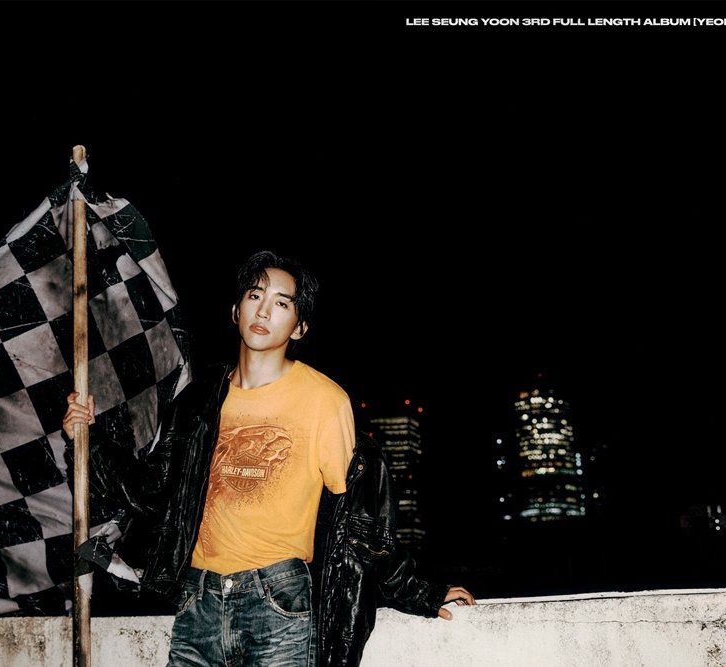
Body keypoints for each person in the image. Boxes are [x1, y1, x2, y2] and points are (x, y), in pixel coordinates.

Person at [63, 250, 475, 666]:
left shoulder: (324, 400)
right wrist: (86, 440)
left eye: (282, 303)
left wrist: (418, 590)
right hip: (197, 602)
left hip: (277, 602)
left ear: (300, 327)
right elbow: (154, 490)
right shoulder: (199, 402)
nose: (263, 310)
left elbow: (359, 519)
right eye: (255, 295)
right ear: (236, 310)